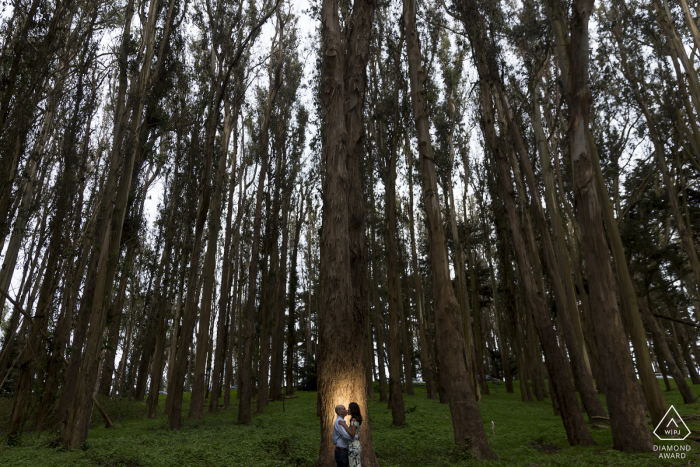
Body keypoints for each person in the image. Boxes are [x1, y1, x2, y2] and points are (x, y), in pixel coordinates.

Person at [341, 402, 362, 467]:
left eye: (349, 408)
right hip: (357, 445)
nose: (348, 410)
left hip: (353, 447)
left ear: (352, 409)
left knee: (353, 465)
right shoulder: (357, 419)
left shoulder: (353, 420)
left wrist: (344, 426)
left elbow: (352, 435)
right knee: (357, 464)